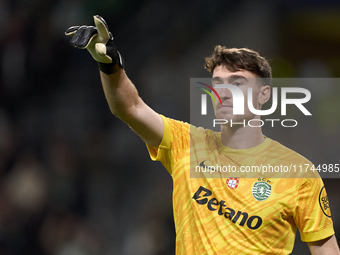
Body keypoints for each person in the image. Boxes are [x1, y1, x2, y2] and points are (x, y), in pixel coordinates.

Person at [65, 15, 340, 254]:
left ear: (264, 95)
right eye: (218, 84)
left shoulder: (298, 173)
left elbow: (326, 249)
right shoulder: (186, 142)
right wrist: (111, 67)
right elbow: (130, 107)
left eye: (238, 83)